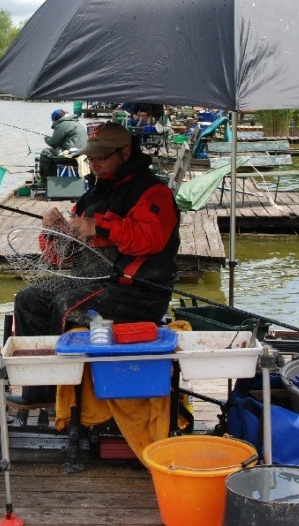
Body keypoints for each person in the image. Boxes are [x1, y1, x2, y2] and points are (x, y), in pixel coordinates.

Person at [10, 121, 181, 405]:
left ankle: (67, 398)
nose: (95, 164)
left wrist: (99, 227)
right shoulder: (93, 194)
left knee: (65, 305)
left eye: (102, 157)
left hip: (137, 292)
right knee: (29, 298)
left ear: (125, 153)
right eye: (91, 158)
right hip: (92, 283)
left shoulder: (153, 191)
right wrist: (56, 231)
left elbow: (150, 239)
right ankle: (39, 391)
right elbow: (62, 257)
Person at [38, 108, 87, 182]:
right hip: (84, 154)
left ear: (56, 119)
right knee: (56, 151)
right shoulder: (76, 122)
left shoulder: (63, 124)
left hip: (73, 155)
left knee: (45, 153)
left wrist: (46, 138)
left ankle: (47, 181)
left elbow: (53, 143)